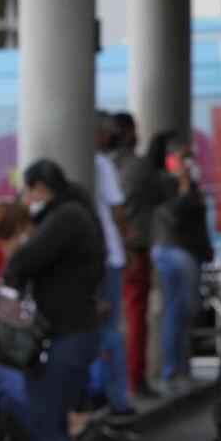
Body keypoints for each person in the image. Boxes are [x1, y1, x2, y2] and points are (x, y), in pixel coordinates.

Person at [4, 160, 105, 441]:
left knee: (47, 423)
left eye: (28, 191)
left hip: (66, 335)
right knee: (52, 423)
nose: (27, 199)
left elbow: (24, 260)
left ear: (41, 188)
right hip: (74, 333)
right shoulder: (76, 214)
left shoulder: (64, 218)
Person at [150, 136, 213, 391]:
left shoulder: (191, 186)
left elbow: (198, 219)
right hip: (174, 250)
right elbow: (173, 215)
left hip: (191, 251)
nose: (188, 162)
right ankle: (169, 371)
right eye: (183, 157)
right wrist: (183, 184)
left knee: (187, 312)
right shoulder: (166, 185)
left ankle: (181, 368)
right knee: (175, 311)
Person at [92, 112, 135, 424]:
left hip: (96, 257)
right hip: (110, 256)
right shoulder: (102, 164)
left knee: (99, 329)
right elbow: (117, 207)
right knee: (110, 329)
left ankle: (102, 394)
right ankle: (118, 397)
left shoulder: (88, 162)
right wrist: (126, 241)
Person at [122, 127, 167, 399]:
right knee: (136, 316)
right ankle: (134, 379)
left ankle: (129, 380)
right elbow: (165, 191)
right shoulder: (137, 167)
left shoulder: (108, 165)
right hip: (132, 249)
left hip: (123, 251)